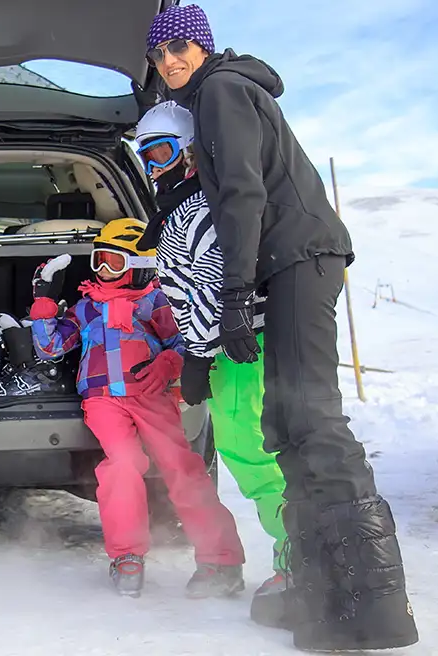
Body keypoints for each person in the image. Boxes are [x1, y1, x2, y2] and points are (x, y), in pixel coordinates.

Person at [144, 4, 418, 651]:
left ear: (204, 48)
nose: (170, 61)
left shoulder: (221, 92)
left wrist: (236, 294)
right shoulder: (223, 91)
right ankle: (330, 590)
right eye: (160, 54)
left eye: (181, 46)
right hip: (292, 262)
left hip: (296, 259)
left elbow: (242, 193)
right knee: (291, 425)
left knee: (311, 419)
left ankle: (371, 602)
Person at [28, 220, 245, 599]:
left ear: (138, 264)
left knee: (181, 467)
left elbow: (185, 340)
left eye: (113, 262)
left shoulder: (156, 301)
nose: (102, 271)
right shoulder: (87, 306)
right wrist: (45, 301)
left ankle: (221, 558)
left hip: (151, 395)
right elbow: (51, 347)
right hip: (103, 401)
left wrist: (169, 363)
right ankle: (127, 556)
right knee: (123, 465)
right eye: (98, 260)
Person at [135, 100, 290, 625]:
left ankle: (300, 556)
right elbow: (185, 294)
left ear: (190, 154)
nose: (153, 165)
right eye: (145, 154)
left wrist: (198, 354)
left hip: (240, 346)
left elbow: (220, 284)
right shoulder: (177, 211)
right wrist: (195, 352)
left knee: (252, 449)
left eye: (160, 151)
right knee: (240, 447)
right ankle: (283, 554)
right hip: (220, 348)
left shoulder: (200, 208)